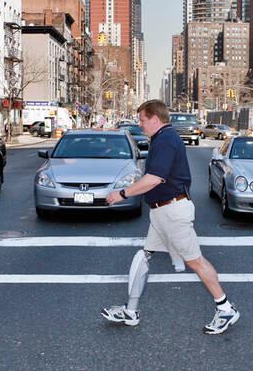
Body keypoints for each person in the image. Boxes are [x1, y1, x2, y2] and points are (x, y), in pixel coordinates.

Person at [102, 100, 240, 335]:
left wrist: (122, 193)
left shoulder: (166, 140)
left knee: (195, 260)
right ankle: (131, 311)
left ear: (155, 119)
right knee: (144, 255)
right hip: (160, 211)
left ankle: (225, 308)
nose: (140, 125)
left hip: (173, 211)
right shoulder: (161, 138)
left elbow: (155, 178)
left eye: (143, 120)